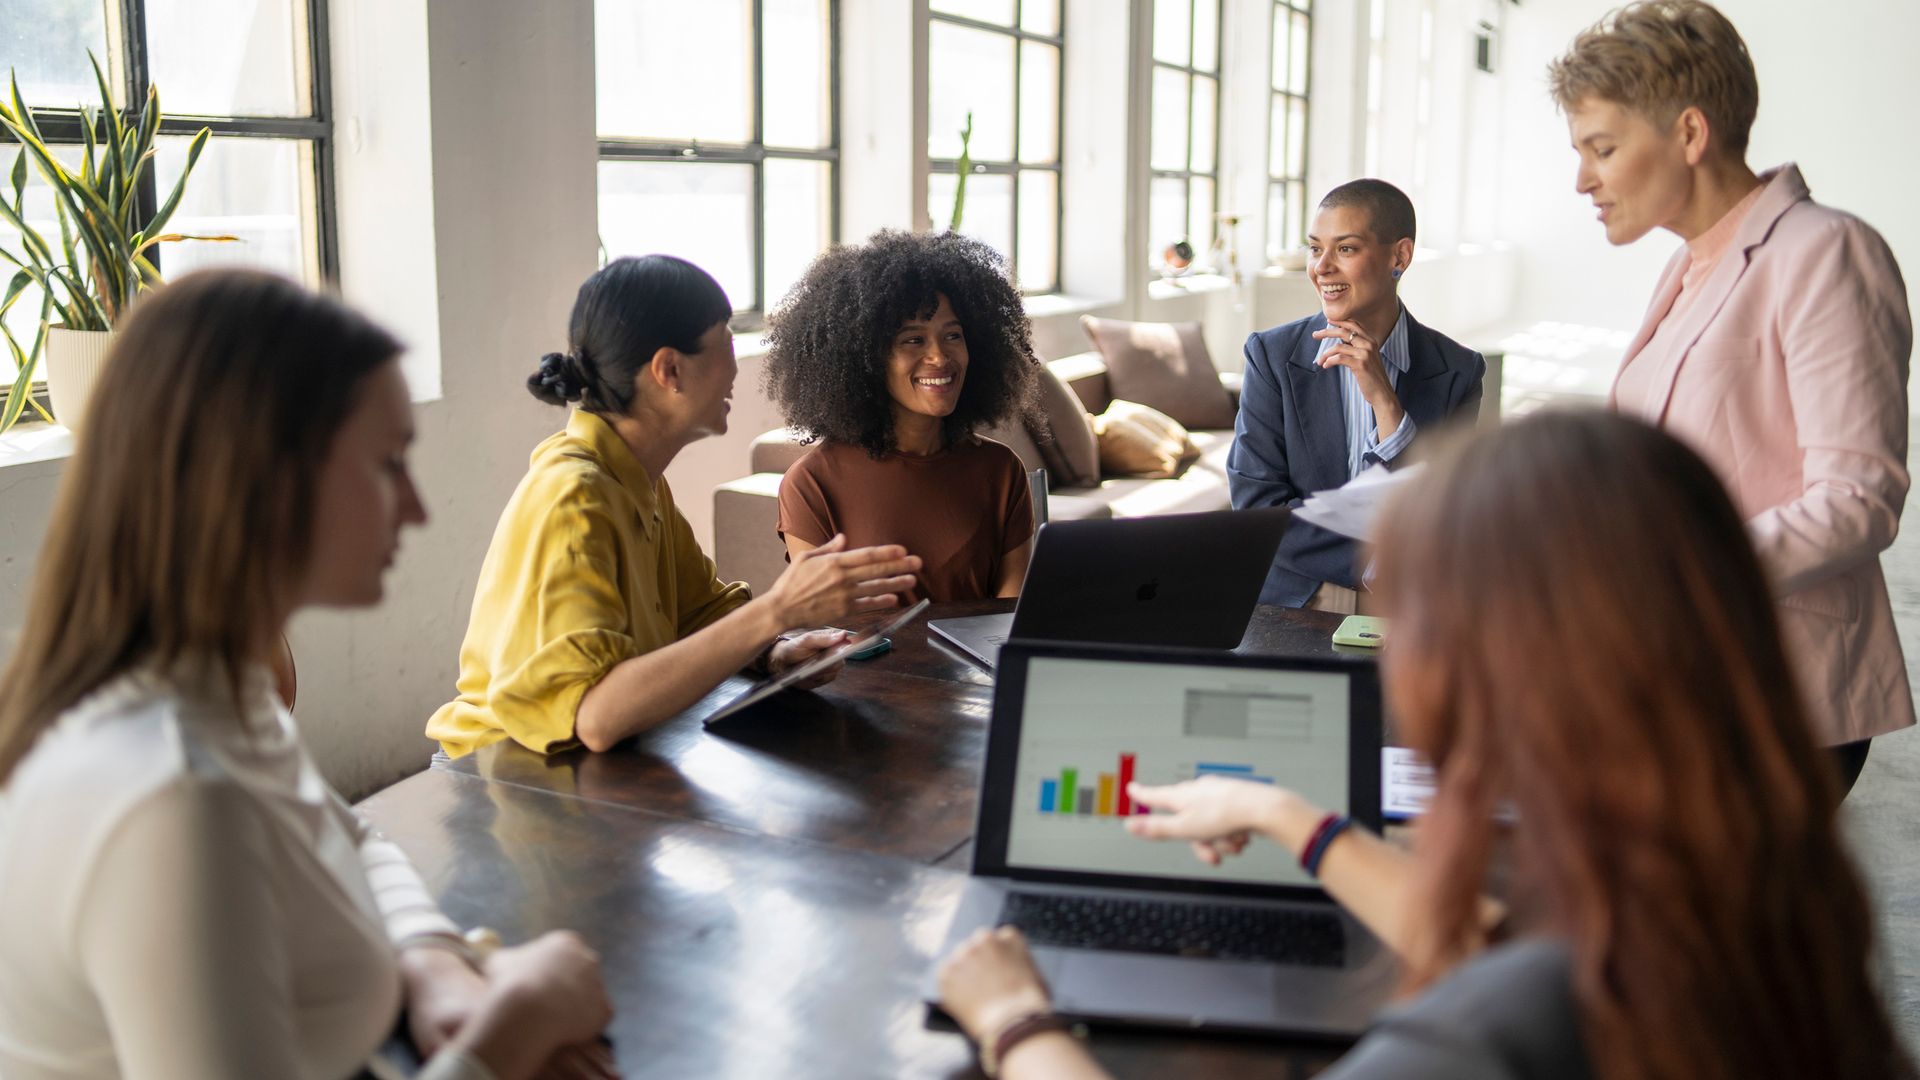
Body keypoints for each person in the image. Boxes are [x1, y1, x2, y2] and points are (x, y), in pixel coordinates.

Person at [937, 410, 1913, 1080]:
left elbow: (1512, 988)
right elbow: (1507, 950)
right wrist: (1290, 817)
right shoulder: (1765, 902)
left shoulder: (1500, 1031)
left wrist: (1016, 1022)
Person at [0, 270, 617, 1079]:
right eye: (388, 463)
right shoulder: (175, 799)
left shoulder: (215, 689)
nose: (418, 507)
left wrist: (431, 962)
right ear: (258, 481)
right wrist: (511, 1028)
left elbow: (343, 834)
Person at [1549, 0, 1912, 791]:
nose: (1582, 180)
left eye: (1601, 148)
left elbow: (1859, 498)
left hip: (1776, 693)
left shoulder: (1825, 252)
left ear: (1688, 133)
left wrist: (1670, 569)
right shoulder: (1685, 266)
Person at [426, 256, 921, 757]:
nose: (735, 367)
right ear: (669, 369)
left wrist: (775, 652)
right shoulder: (574, 498)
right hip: (505, 779)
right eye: (727, 341)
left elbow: (701, 612)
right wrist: (778, 610)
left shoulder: (638, 480)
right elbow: (594, 716)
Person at [1227, 179, 1485, 613]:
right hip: (1294, 603)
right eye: (1315, 248)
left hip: (1410, 613)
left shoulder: (1457, 371)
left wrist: (1387, 405)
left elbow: (1440, 513)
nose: (1321, 267)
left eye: (1345, 249)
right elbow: (1258, 510)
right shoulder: (1270, 357)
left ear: (1399, 257)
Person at [763, 229, 1041, 603]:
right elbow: (828, 625)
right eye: (913, 340)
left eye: (953, 336)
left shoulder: (1002, 471)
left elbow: (1011, 615)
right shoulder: (813, 485)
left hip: (983, 663)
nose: (940, 357)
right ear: (866, 359)